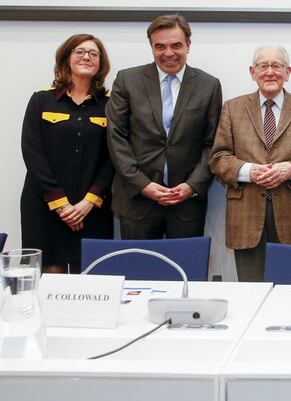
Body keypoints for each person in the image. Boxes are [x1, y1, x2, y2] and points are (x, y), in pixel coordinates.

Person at [209, 45, 291, 282]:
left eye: (277, 66)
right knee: (251, 291)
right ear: (253, 72)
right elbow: (219, 158)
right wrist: (248, 171)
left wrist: (290, 169)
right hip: (246, 215)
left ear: (287, 72)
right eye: (263, 66)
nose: (270, 72)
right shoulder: (232, 108)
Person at [106, 14, 222, 239]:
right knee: (138, 271)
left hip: (186, 204)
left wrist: (191, 186)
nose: (168, 53)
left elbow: (214, 143)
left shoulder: (209, 86)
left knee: (188, 271)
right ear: (151, 48)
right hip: (137, 200)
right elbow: (116, 137)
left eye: (176, 45)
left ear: (188, 45)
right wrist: (143, 184)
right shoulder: (127, 80)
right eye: (160, 46)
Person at [21, 34, 114, 273]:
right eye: (79, 52)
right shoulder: (41, 100)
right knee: (50, 283)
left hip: (92, 208)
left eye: (93, 53)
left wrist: (88, 203)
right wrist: (61, 205)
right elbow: (32, 153)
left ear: (100, 63)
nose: (86, 57)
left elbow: (114, 158)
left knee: (93, 282)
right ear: (66, 58)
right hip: (45, 207)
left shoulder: (111, 105)